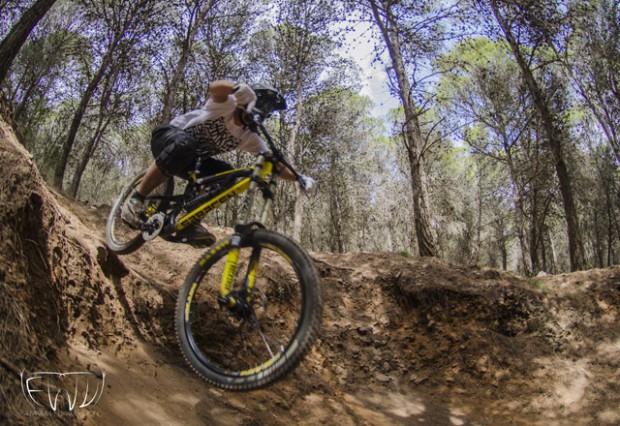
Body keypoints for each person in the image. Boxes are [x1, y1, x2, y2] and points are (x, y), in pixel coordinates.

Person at [121, 80, 315, 247]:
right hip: (167, 139)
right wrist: (236, 88)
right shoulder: (228, 105)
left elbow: (275, 164)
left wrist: (299, 178)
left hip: (191, 161)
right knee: (186, 144)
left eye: (268, 110)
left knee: (226, 175)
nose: (264, 111)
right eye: (262, 104)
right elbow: (214, 88)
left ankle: (189, 223)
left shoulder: (250, 136)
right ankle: (136, 199)